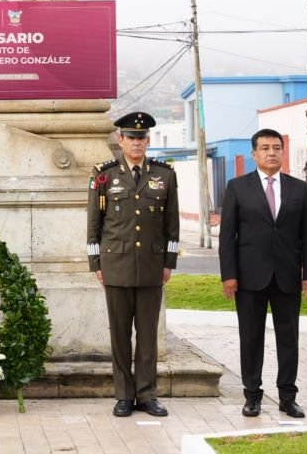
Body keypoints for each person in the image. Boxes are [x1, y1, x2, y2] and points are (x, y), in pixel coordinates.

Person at [218, 128, 307, 419]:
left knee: (289, 339)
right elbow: (228, 237)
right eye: (264, 148)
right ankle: (252, 396)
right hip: (249, 278)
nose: (271, 153)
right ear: (254, 154)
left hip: (287, 277)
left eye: (276, 147)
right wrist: (229, 275)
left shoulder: (299, 189)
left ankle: (287, 397)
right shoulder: (238, 187)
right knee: (250, 338)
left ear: (282, 152)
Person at [87, 111, 179, 418]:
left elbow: (171, 224)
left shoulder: (164, 174)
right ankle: (124, 396)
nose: (137, 143)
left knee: (148, 337)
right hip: (116, 265)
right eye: (131, 137)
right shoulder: (104, 174)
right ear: (120, 139)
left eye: (142, 138)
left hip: (152, 267)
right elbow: (94, 224)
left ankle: (147, 395)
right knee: (120, 335)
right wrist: (95, 262)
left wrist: (169, 262)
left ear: (148, 141)